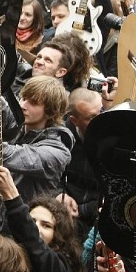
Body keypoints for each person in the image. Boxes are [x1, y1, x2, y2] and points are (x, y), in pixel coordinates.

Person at [0, 164, 82, 272]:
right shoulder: (10, 254)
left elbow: (35, 245)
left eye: (46, 225)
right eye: (32, 221)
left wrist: (12, 195)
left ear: (59, 235)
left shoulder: (61, 269)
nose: (36, 228)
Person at [1, 75, 74, 205]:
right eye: (23, 98)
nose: (23, 105)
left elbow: (8, 154)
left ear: (51, 111)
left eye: (33, 103)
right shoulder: (20, 124)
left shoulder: (57, 152)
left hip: (24, 219)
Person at [57, 87, 103, 233]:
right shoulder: (61, 137)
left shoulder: (111, 139)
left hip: (97, 212)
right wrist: (58, 194)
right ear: (74, 120)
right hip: (63, 209)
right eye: (91, 117)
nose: (99, 121)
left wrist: (85, 209)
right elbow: (50, 174)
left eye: (101, 113)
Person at [16, 0, 46, 64]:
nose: (21, 18)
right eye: (20, 13)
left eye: (27, 15)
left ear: (35, 18)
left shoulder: (43, 40)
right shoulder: (6, 35)